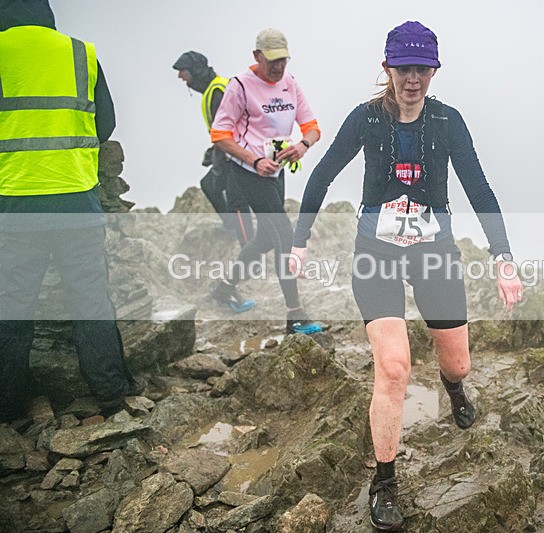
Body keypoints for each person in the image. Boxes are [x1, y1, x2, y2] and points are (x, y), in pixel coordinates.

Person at [290, 21, 524, 530]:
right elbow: (323, 173)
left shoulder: (447, 122)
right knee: (394, 369)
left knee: (458, 363)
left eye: (421, 69)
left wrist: (503, 257)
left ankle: (454, 386)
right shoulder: (366, 119)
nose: (412, 79)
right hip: (376, 255)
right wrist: (299, 241)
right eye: (403, 69)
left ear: (434, 70)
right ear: (387, 69)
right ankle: (385, 481)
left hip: (434, 252)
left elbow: (480, 190)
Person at [0, 0, 144, 421]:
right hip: (76, 199)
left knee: (12, 308)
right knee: (89, 300)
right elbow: (107, 124)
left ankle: (8, 408)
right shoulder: (82, 52)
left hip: (15, 201)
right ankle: (112, 396)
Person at [210, 28, 326, 334]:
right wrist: (254, 160)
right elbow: (219, 134)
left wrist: (302, 146)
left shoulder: (290, 84)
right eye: (272, 61)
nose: (278, 67)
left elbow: (312, 127)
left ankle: (224, 288)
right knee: (284, 237)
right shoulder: (240, 86)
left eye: (283, 60)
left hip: (276, 172)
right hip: (247, 173)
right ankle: (295, 315)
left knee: (264, 239)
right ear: (257, 57)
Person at [173, 51, 253, 245]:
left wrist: (220, 154)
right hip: (231, 153)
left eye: (182, 70)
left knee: (237, 203)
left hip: (235, 156)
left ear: (195, 70)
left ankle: (249, 252)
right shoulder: (215, 89)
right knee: (210, 185)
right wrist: (213, 152)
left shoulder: (217, 91)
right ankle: (234, 229)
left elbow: (230, 130)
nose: (179, 76)